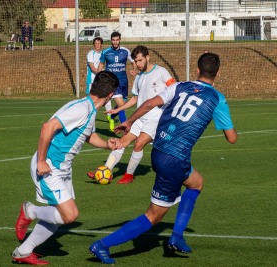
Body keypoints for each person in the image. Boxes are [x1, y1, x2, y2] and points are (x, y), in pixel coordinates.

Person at [89, 53, 237, 264]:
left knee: (196, 183)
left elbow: (149, 103)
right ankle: (102, 245)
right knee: (154, 216)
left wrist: (129, 121)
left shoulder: (179, 86)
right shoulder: (217, 99)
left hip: (158, 150)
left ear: (196, 70)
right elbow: (231, 139)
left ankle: (177, 236)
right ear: (218, 74)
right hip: (174, 159)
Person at [11, 71, 123, 265]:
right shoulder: (81, 109)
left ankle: (23, 251)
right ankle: (30, 211)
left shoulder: (89, 109)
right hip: (49, 167)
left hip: (63, 169)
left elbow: (88, 136)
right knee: (70, 215)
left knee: (59, 216)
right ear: (111, 96)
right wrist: (41, 161)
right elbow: (48, 127)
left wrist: (108, 144)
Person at [87, 45, 175, 184]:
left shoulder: (161, 72)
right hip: (140, 117)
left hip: (156, 119)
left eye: (140, 60)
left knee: (138, 144)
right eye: (135, 61)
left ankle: (129, 175)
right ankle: (105, 170)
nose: (137, 64)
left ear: (147, 57)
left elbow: (174, 89)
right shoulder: (139, 77)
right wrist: (117, 110)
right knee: (121, 143)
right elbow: (134, 99)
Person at [98, 31, 137, 126]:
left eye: (117, 40)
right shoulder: (106, 52)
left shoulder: (125, 51)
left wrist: (134, 70)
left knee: (124, 104)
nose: (115, 42)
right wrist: (99, 77)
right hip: (113, 83)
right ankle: (125, 128)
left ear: (120, 40)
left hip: (124, 81)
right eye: (113, 40)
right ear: (111, 40)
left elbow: (133, 62)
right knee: (121, 106)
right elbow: (101, 64)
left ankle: (111, 116)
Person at [87, 37, 115, 130]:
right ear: (93, 44)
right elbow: (92, 67)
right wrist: (101, 74)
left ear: (101, 44)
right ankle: (88, 121)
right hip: (92, 80)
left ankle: (110, 117)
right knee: (90, 101)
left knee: (107, 97)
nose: (97, 45)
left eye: (99, 43)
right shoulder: (90, 54)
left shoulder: (104, 54)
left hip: (102, 80)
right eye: (96, 43)